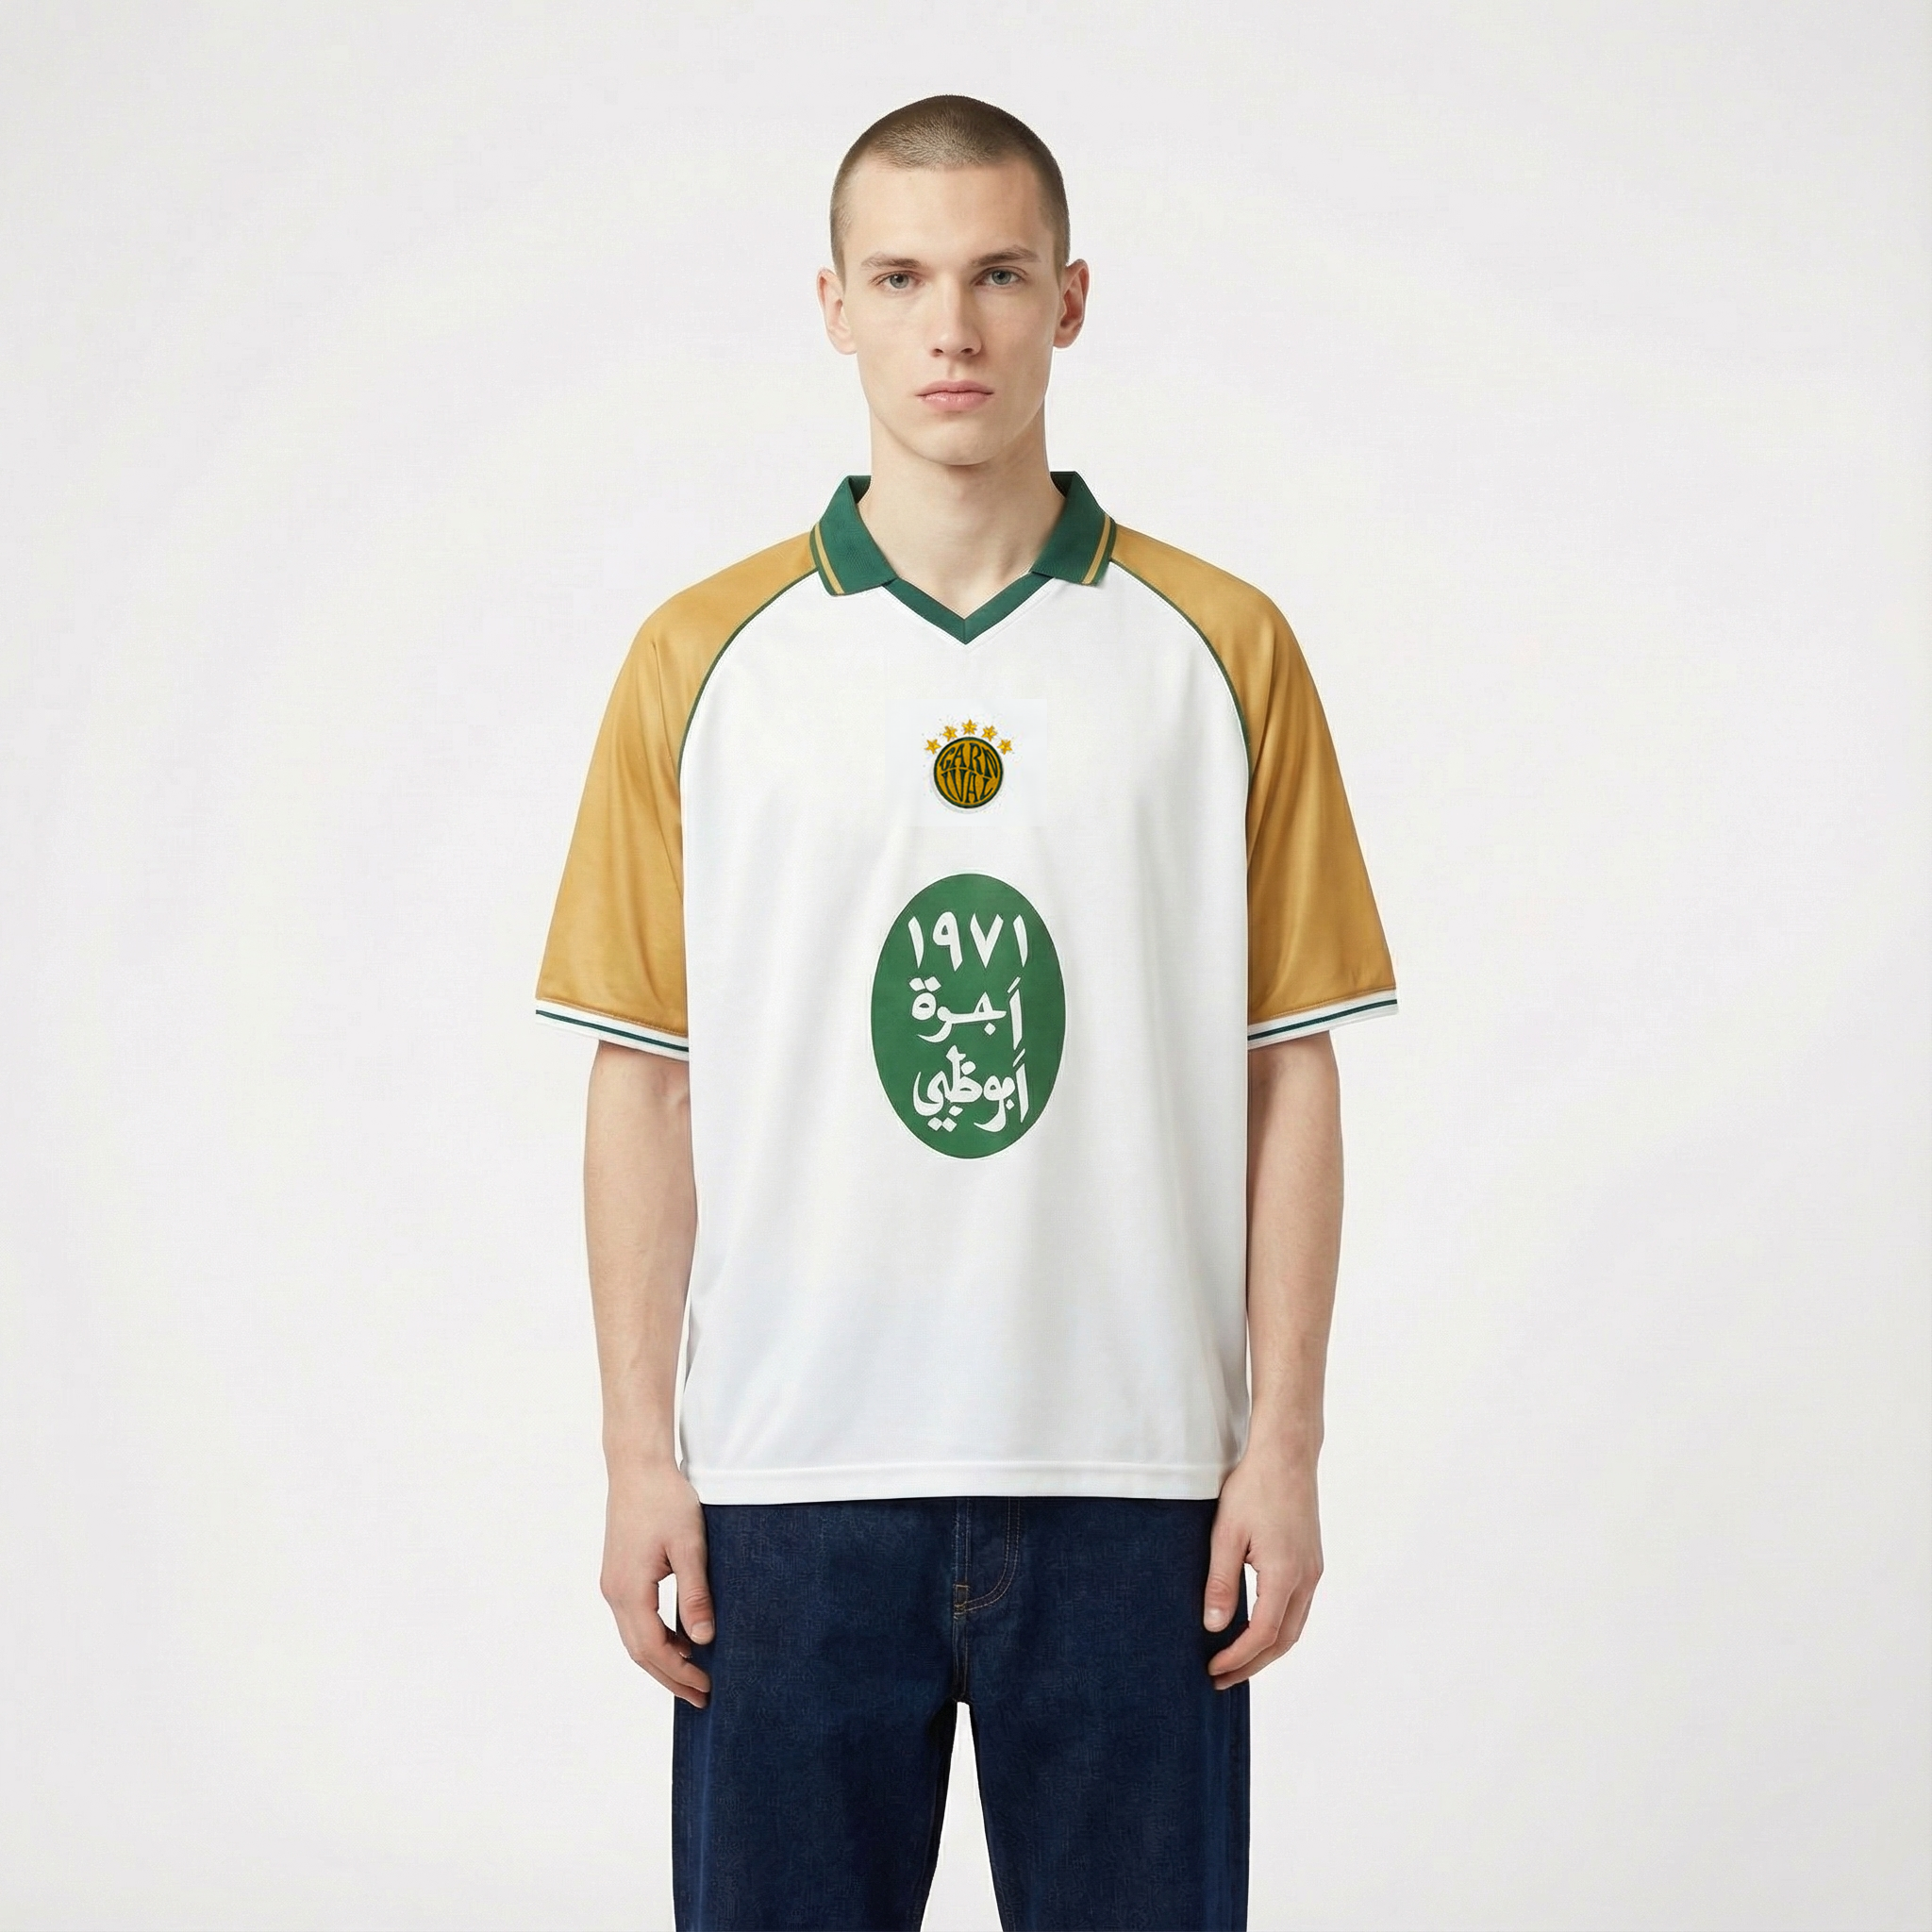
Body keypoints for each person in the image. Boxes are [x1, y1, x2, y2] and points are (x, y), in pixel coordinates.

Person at [535, 93, 1397, 1932]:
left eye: (999, 276)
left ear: (1069, 301)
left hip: (1135, 1479)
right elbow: (645, 1084)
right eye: (902, 278)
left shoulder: (1219, 650)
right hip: (790, 1477)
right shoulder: (704, 660)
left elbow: (1288, 1071)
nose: (952, 328)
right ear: (831, 305)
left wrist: (1284, 1444)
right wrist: (636, 1457)